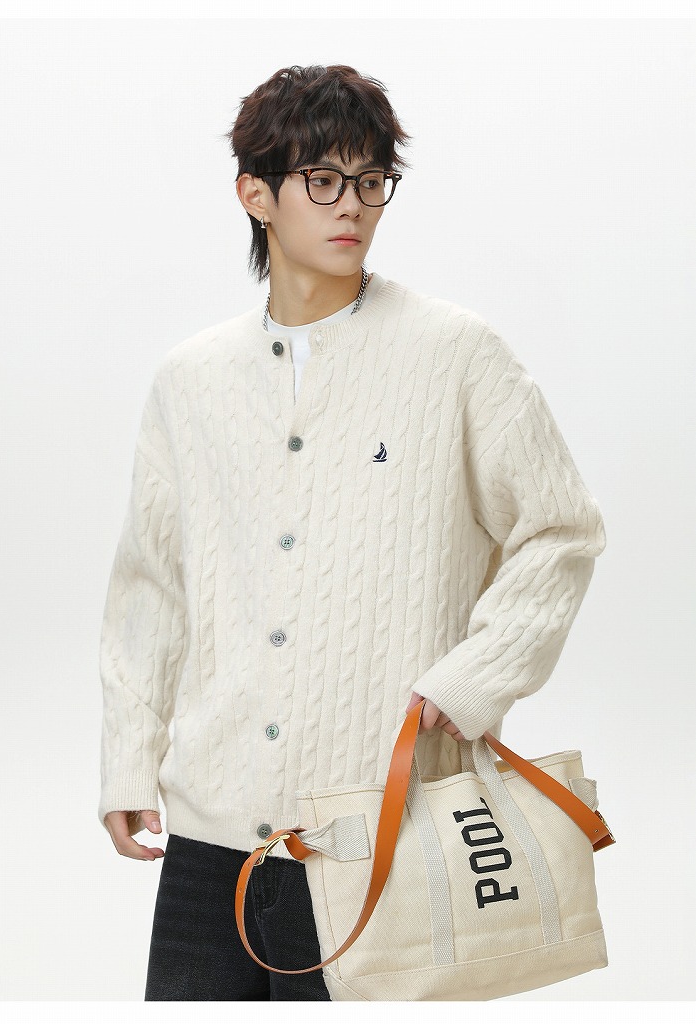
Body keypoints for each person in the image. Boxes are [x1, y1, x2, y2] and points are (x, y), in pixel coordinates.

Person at [97, 64, 606, 1002]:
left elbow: (560, 531)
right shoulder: (190, 380)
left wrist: (474, 678)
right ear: (255, 194)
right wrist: (131, 756)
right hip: (211, 835)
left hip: (382, 830)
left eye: (371, 180)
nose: (353, 205)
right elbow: (151, 586)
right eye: (322, 179)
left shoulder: (456, 354)